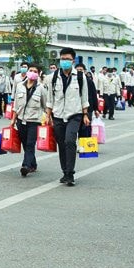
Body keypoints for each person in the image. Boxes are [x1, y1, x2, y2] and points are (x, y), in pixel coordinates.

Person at [46, 47, 90, 186]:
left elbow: (84, 98)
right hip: (58, 115)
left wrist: (85, 114)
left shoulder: (81, 77)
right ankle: (65, 171)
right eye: (63, 59)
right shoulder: (52, 77)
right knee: (61, 144)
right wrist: (48, 115)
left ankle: (70, 173)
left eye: (68, 59)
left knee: (70, 141)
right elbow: (49, 98)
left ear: (73, 61)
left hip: (74, 114)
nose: (65, 61)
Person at [11, 64, 47, 177]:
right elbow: (16, 105)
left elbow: (45, 105)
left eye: (35, 71)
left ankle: (25, 166)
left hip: (34, 120)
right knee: (25, 144)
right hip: (21, 120)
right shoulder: (20, 86)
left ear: (39, 73)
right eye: (30, 70)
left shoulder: (41, 88)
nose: (32, 72)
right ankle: (33, 164)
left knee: (30, 144)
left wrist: (48, 119)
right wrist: (13, 119)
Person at [76, 63, 100, 137]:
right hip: (76, 108)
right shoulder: (72, 81)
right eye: (77, 70)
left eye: (81, 70)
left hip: (88, 108)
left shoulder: (89, 81)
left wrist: (96, 109)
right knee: (77, 128)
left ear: (85, 71)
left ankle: (86, 146)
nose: (79, 71)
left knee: (86, 127)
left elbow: (93, 95)